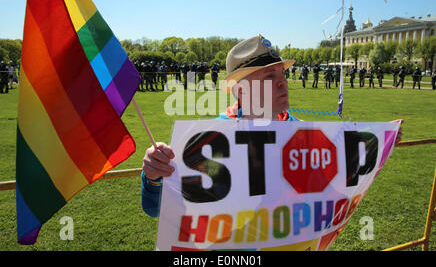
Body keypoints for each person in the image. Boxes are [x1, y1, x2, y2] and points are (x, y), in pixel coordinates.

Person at [140, 34, 404, 218]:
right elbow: (156, 209)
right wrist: (153, 176)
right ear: (241, 90)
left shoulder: (303, 134)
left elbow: (333, 188)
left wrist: (377, 143)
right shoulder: (210, 139)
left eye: (283, 74)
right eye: (269, 76)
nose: (283, 83)